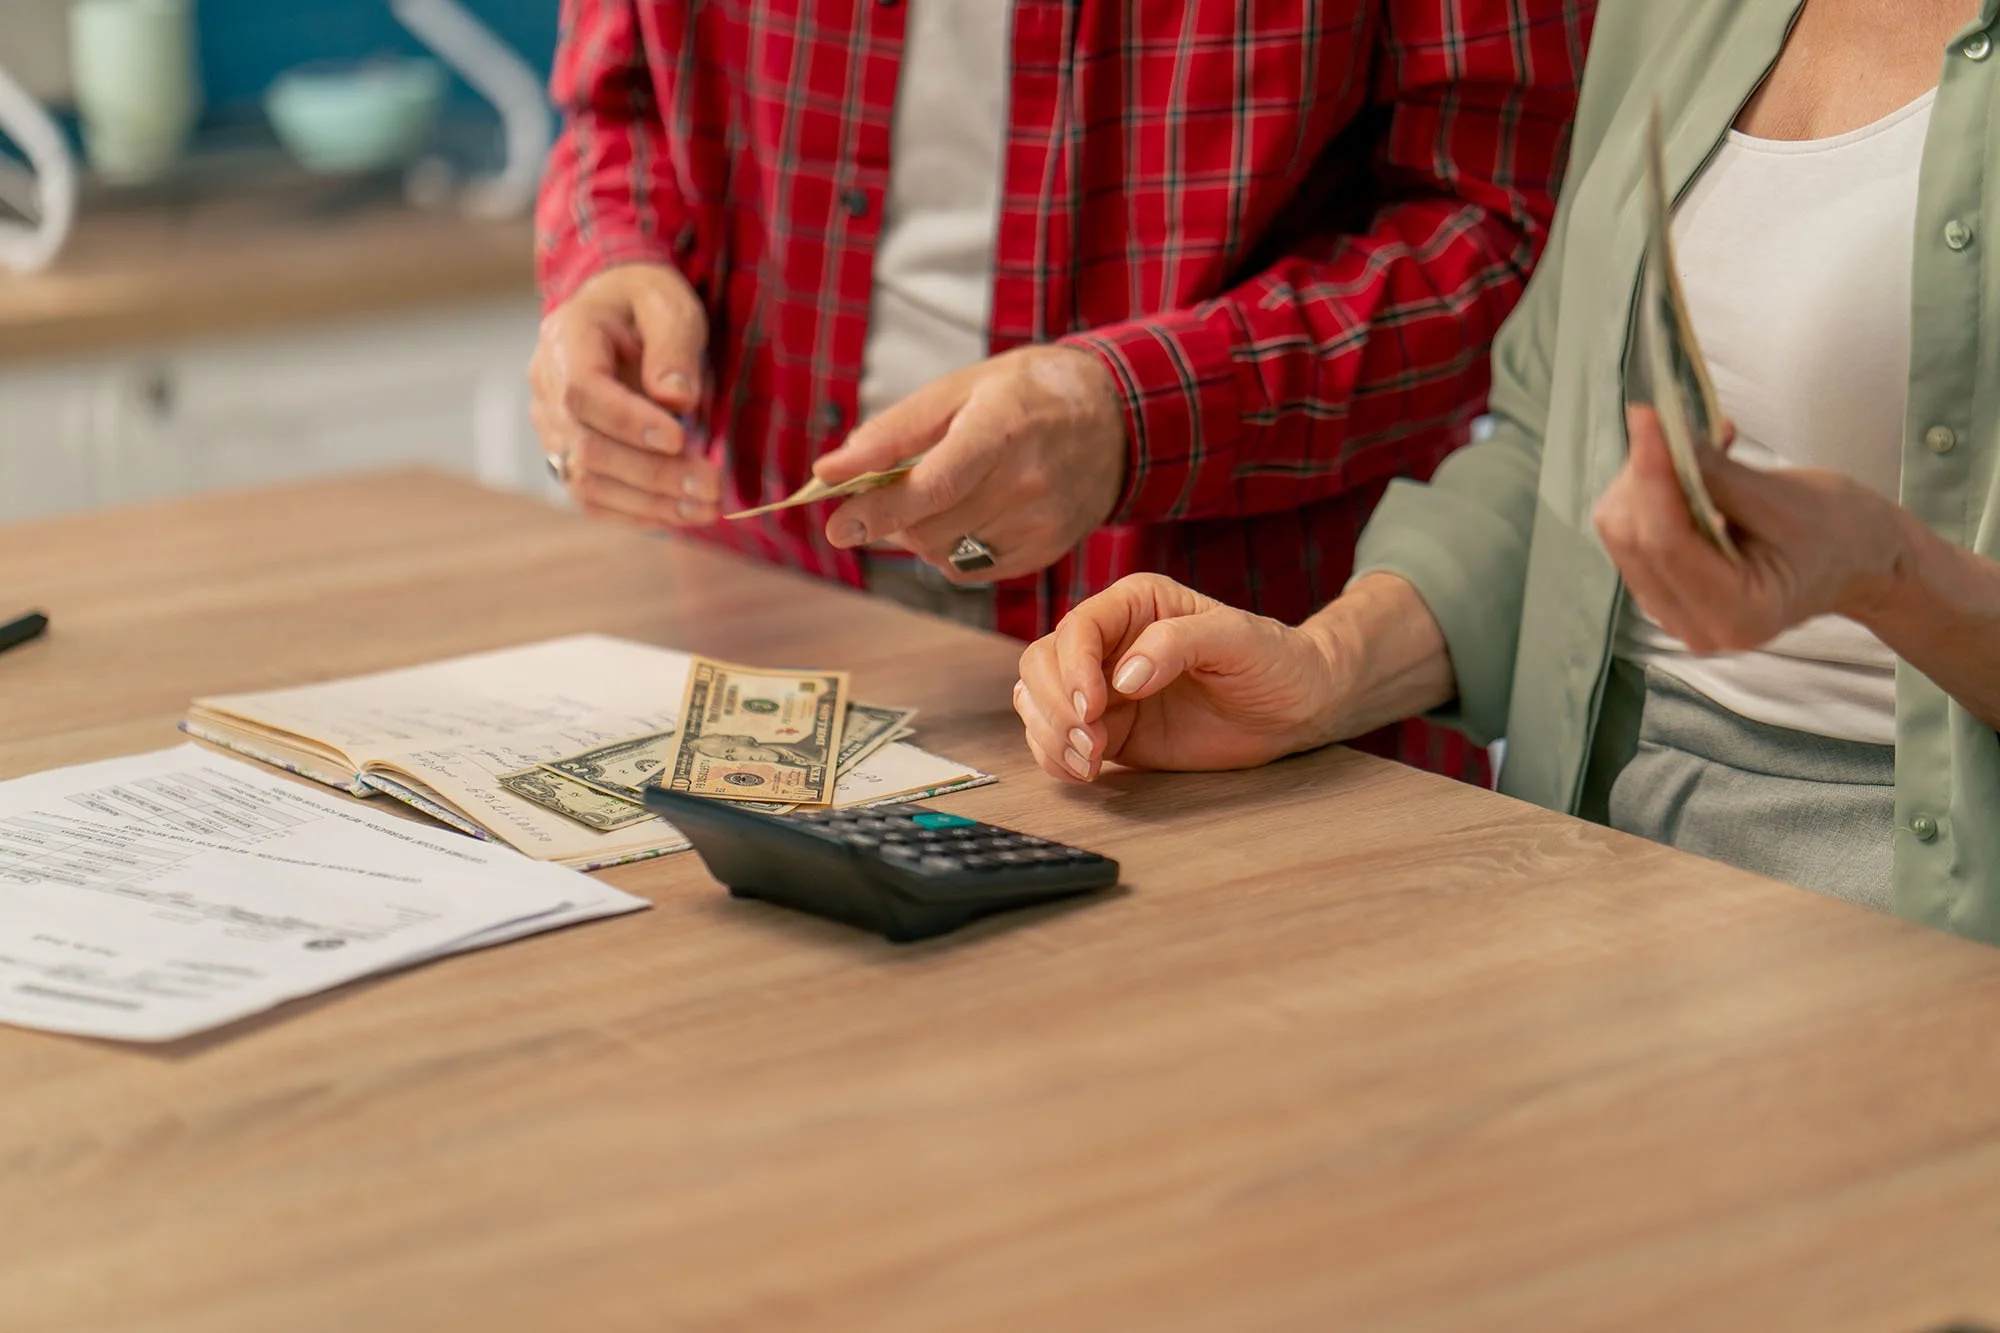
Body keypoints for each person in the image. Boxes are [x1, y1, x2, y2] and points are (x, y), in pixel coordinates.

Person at [1014, 0, 2000, 944]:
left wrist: (1890, 578)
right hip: (1585, 873)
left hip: (1915, 936)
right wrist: (1319, 670)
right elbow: (1548, 444)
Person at [528, 0, 1592, 785]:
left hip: (1206, 699)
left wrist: (1136, 416)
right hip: (761, 633)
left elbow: (1505, 234)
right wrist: (607, 258)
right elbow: (611, 106)